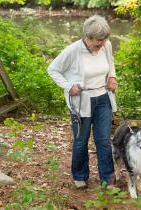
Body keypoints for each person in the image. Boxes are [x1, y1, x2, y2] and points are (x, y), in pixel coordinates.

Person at [47, 15, 118, 188]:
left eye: (104, 39)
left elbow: (111, 64)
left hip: (103, 99)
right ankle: (80, 176)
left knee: (103, 140)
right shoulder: (73, 50)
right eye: (98, 40)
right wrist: (68, 86)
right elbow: (53, 69)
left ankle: (107, 179)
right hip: (82, 102)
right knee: (81, 140)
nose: (101, 43)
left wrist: (112, 77)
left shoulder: (106, 45)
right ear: (87, 36)